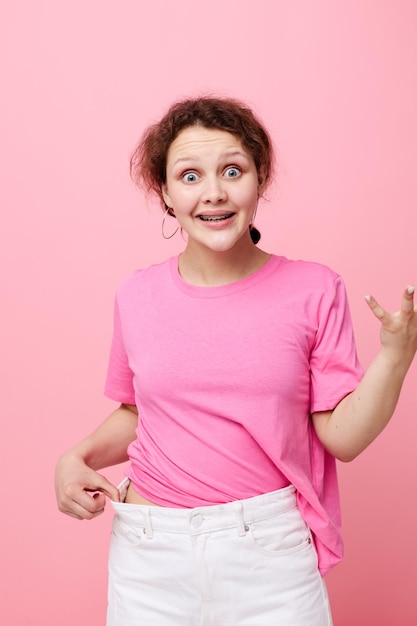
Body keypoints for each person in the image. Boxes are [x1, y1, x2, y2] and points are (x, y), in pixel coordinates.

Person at [55, 96, 417, 625]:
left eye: (232, 170)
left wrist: (395, 357)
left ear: (259, 179)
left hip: (268, 558)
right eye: (190, 176)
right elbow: (140, 411)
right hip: (149, 556)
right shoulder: (136, 296)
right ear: (166, 194)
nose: (214, 193)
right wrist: (77, 457)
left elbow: (342, 437)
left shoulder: (314, 289)